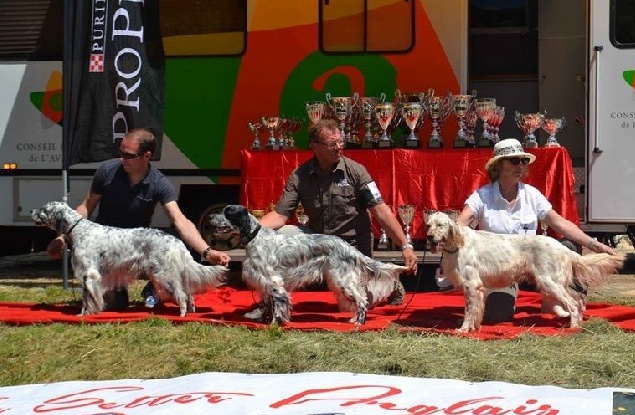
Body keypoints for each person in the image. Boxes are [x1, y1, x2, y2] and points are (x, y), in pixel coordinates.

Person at [247, 119, 418, 319]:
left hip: (351, 247)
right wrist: (250, 230)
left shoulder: (356, 171)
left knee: (350, 306)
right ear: (315, 146)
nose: (338, 147)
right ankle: (270, 302)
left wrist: (405, 246)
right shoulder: (299, 176)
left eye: (340, 142)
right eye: (332, 144)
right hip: (319, 244)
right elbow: (280, 215)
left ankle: (387, 283)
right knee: (281, 235)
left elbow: (381, 211)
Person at [47, 128, 230, 309]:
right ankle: (130, 291)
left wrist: (207, 252)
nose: (122, 159)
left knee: (169, 245)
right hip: (107, 250)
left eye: (128, 155)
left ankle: (153, 288)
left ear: (146, 156)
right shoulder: (106, 172)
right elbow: (86, 207)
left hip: (139, 246)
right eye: (121, 153)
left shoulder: (159, 183)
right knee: (115, 305)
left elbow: (180, 221)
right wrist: (64, 237)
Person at [455, 138, 616, 322]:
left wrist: (595, 245)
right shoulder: (481, 196)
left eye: (524, 161)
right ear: (498, 165)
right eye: (515, 161)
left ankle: (552, 302)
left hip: (534, 262)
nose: (521, 166)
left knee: (568, 246)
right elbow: (460, 226)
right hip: (499, 270)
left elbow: (559, 222)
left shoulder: (531, 194)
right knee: (496, 316)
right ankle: (515, 298)